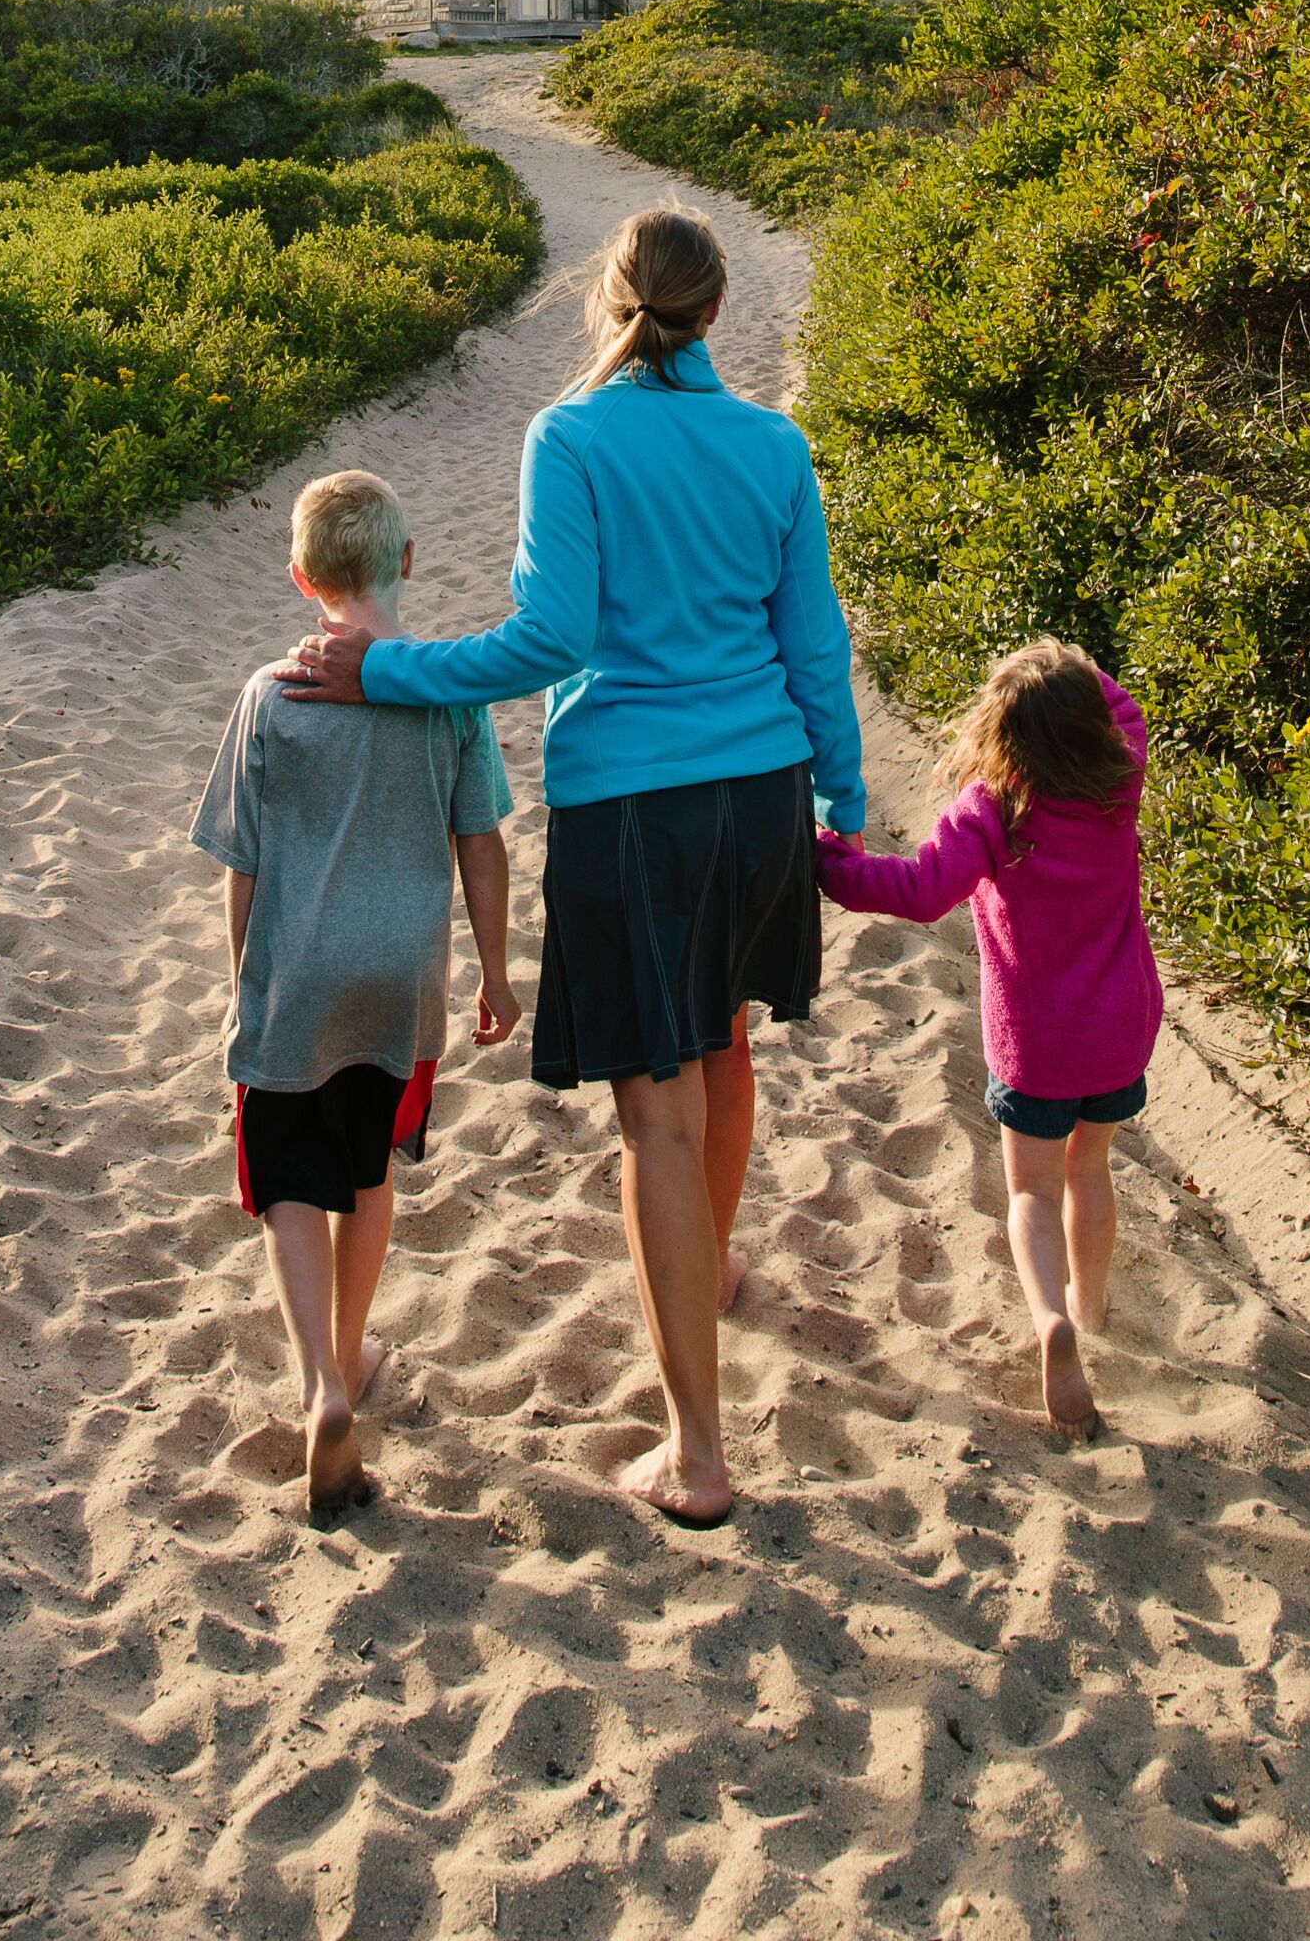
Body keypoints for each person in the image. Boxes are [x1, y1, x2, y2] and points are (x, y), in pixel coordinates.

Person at [277, 208, 866, 1529]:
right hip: (760, 791)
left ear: (612, 303)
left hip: (636, 809)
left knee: (653, 1112)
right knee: (723, 1051)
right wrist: (843, 793)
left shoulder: (574, 437)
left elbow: (548, 640)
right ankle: (703, 1276)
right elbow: (812, 638)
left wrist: (387, 670)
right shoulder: (773, 445)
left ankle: (696, 1457)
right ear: (714, 312)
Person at [190, 465, 518, 1524]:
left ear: (300, 578)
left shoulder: (268, 696)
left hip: (298, 976)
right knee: (371, 1169)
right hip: (402, 979)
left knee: (288, 1177)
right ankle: (351, 1346)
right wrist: (498, 971)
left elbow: (241, 860)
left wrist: (247, 973)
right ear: (408, 561)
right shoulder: (447, 694)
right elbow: (484, 844)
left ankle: (321, 1383)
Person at [815, 636, 1159, 1442]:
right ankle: (1093, 1309)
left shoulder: (994, 812)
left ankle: (1048, 1322)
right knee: (1091, 1167)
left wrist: (824, 861)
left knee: (1031, 1192)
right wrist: (1066, 668)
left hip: (1038, 1047)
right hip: (1119, 1032)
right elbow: (1122, 707)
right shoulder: (1120, 781)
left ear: (1000, 734)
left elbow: (918, 889)